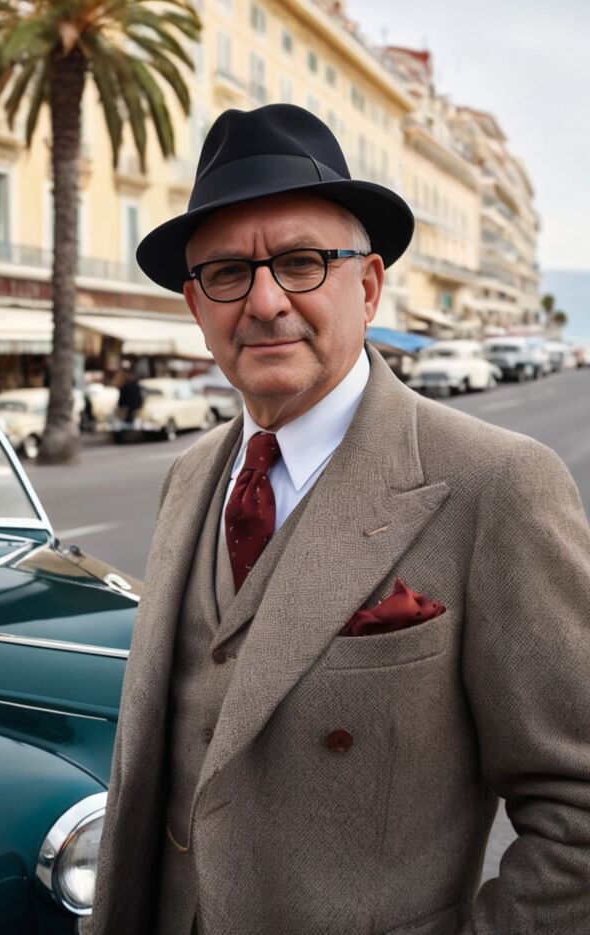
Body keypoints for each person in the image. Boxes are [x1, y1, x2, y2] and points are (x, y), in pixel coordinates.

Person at [85, 105, 590, 935]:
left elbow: (578, 803)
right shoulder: (189, 476)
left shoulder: (497, 484)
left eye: (301, 262)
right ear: (196, 306)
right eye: (228, 273)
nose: (265, 301)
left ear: (369, 284)